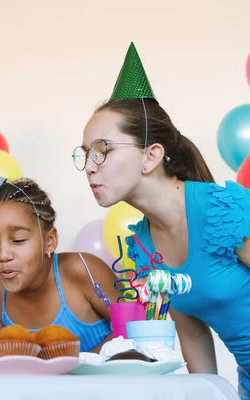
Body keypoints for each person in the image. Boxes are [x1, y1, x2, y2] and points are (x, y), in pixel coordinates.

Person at [76, 42, 250, 397]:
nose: (90, 166)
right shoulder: (142, 250)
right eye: (85, 154)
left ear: (151, 155)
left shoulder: (223, 211)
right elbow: (193, 331)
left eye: (102, 150)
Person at [0, 160, 119, 352]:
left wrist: (79, 367)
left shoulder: (82, 269)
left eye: (18, 240)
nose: (3, 255)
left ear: (49, 241)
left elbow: (133, 325)